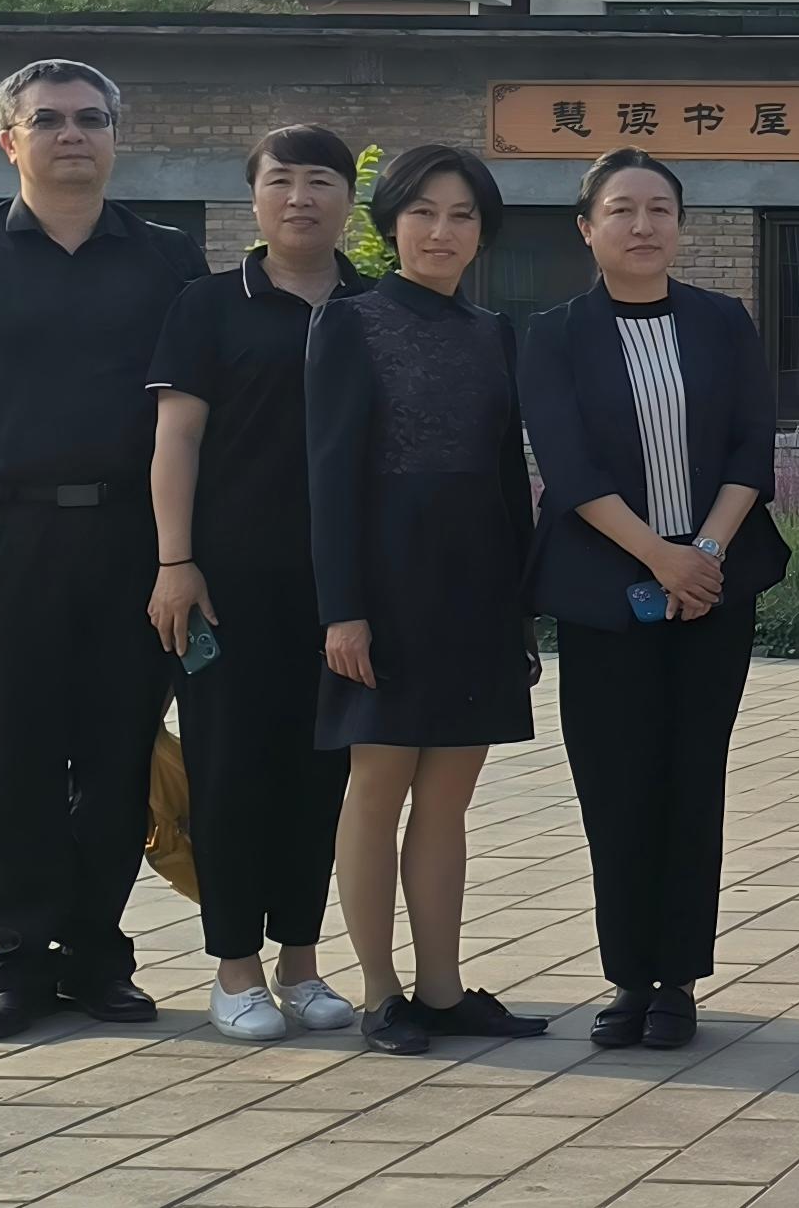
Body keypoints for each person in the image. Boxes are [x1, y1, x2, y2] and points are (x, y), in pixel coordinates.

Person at [0, 59, 207, 1042]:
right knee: (10, 762)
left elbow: (203, 414)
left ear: (115, 137)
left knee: (117, 758)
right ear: (8, 139)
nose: (73, 134)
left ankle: (97, 956)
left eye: (91, 118)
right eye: (50, 119)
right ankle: (17, 965)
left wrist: (188, 553)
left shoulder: (167, 260)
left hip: (133, 539)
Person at [522, 149, 789, 1052]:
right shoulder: (555, 333)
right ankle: (628, 976)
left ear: (680, 223)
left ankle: (677, 979)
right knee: (615, 780)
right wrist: (658, 557)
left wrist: (702, 553)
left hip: (715, 584)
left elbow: (753, 441)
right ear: (586, 227)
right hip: (606, 588)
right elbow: (568, 466)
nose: (642, 225)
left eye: (659, 209)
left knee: (690, 776)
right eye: (621, 209)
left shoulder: (722, 320)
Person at [306, 142, 550, 1056]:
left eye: (461, 215)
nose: (441, 231)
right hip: (383, 587)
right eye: (422, 212)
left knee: (448, 797)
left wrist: (520, 607)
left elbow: (505, 478)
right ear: (391, 223)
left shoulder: (493, 332)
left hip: (476, 588)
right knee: (377, 787)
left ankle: (442, 989)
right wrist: (342, 608)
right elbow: (328, 476)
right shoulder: (348, 322)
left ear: (482, 232)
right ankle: (382, 994)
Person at [146, 124, 368, 1042]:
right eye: (281, 181)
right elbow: (177, 438)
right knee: (230, 769)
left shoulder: (375, 305)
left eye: (320, 181)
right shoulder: (208, 304)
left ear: (349, 199)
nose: (300, 197)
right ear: (255, 197)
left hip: (344, 587)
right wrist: (174, 561)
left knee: (321, 775)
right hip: (226, 583)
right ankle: (234, 966)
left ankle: (301, 963)